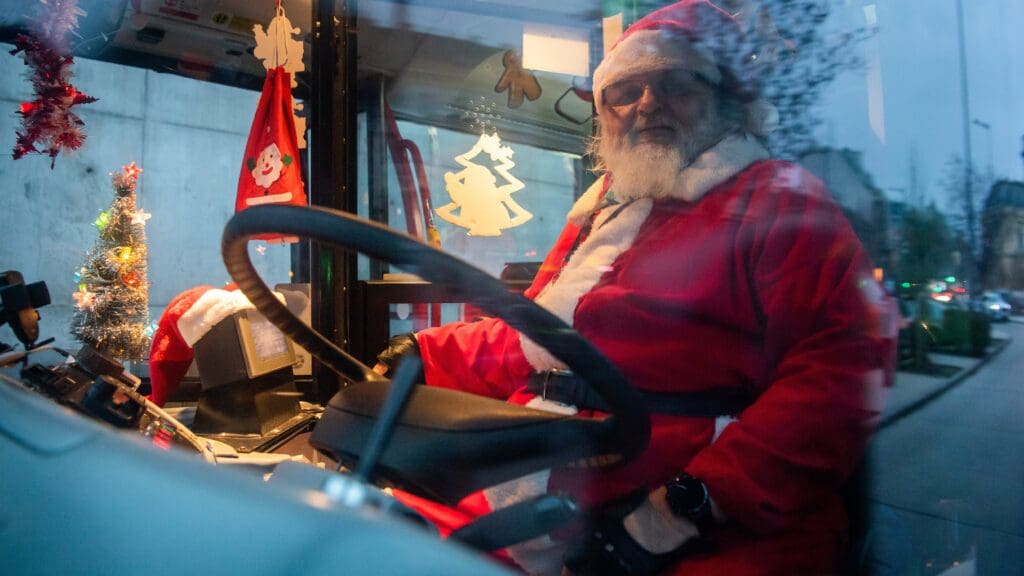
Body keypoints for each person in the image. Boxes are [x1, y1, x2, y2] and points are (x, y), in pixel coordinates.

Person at [376, 1, 892, 574]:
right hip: (541, 471)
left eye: (675, 84)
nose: (647, 104)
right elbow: (543, 335)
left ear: (723, 102)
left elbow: (839, 376)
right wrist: (424, 356)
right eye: (625, 91)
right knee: (363, 528)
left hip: (684, 513)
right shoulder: (602, 210)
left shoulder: (777, 200)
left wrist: (673, 513)